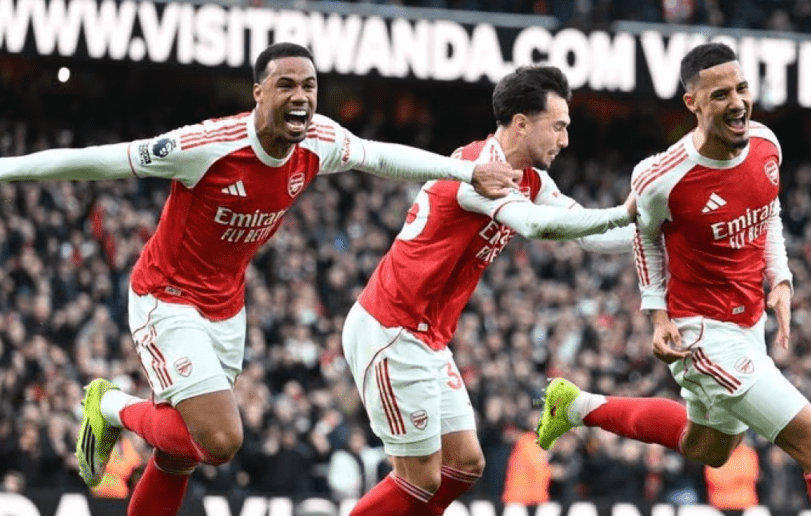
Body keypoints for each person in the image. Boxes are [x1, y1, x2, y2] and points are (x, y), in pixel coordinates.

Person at [0, 42, 517, 516]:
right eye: (286, 85)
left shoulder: (318, 142)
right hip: (167, 298)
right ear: (258, 93)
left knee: (180, 452)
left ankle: (121, 416)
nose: (301, 96)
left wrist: (465, 173)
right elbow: (98, 162)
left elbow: (381, 155)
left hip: (227, 308)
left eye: (309, 86)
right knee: (220, 441)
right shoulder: (207, 145)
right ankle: (109, 404)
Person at [536, 43, 811, 516]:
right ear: (692, 103)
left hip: (749, 324)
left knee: (710, 449)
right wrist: (656, 316)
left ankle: (574, 406)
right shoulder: (662, 178)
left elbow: (768, 209)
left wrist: (780, 278)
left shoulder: (765, 145)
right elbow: (645, 238)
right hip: (702, 334)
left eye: (741, 89)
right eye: (720, 95)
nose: (737, 102)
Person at [341, 64, 636, 515]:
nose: (565, 139)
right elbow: (538, 226)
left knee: (464, 463)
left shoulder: (531, 179)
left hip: (427, 337)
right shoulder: (478, 172)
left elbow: (589, 235)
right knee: (418, 476)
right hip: (391, 329)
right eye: (558, 126)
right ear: (521, 124)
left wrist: (658, 227)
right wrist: (624, 211)